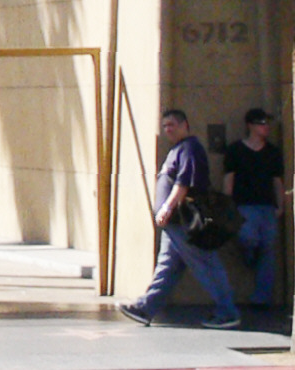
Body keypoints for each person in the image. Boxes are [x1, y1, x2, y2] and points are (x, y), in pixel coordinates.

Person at [121, 107, 239, 328]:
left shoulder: (190, 148)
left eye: (172, 125)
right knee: (168, 267)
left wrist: (167, 207)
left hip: (186, 221)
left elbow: (183, 182)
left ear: (185, 125)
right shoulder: (177, 149)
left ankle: (227, 312)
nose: (168, 129)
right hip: (174, 225)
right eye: (165, 126)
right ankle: (146, 308)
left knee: (207, 265)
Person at [222, 106, 283, 310]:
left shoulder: (273, 152)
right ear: (250, 125)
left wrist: (280, 204)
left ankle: (261, 298)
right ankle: (248, 256)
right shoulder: (235, 150)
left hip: (267, 206)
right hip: (244, 206)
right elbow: (229, 179)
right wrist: (227, 205)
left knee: (268, 249)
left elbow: (277, 181)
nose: (266, 127)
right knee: (249, 239)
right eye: (261, 123)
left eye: (267, 123)